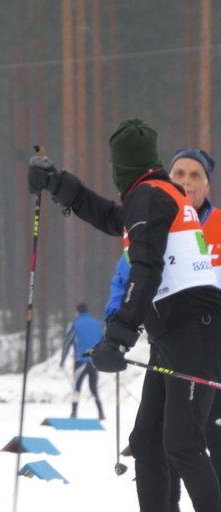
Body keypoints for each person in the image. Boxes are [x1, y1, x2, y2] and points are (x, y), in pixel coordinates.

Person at [28, 118, 221, 512]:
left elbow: (146, 269)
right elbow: (111, 219)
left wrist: (118, 337)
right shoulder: (153, 195)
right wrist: (59, 184)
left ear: (122, 167)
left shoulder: (151, 196)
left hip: (195, 333)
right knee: (147, 442)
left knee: (183, 443)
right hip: (174, 335)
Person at [103, 147, 221, 510]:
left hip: (209, 348)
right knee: (149, 442)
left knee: (198, 440)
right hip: (168, 345)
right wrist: (114, 328)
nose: (186, 182)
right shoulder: (153, 222)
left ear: (207, 186)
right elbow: (127, 278)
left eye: (195, 175)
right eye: (178, 174)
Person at [60, 302, 105, 420]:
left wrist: (63, 360)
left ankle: (74, 412)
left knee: (77, 388)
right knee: (94, 388)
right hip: (94, 361)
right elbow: (104, 341)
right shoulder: (98, 323)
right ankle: (101, 413)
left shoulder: (75, 324)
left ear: (78, 312)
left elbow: (67, 342)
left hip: (81, 360)